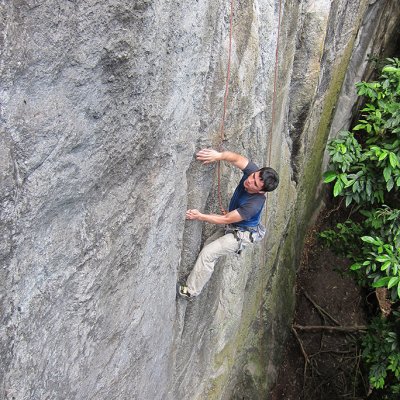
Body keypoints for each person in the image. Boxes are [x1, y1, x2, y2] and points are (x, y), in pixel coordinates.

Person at [178, 148, 279, 299]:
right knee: (208, 245)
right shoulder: (254, 173)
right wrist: (218, 156)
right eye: (253, 176)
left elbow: (225, 220)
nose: (250, 181)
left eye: (255, 184)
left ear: (260, 191)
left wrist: (200, 216)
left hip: (243, 234)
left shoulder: (254, 205)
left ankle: (191, 291)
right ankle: (200, 275)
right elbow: (236, 158)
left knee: (208, 253)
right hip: (236, 225)